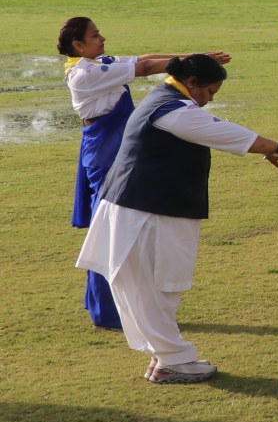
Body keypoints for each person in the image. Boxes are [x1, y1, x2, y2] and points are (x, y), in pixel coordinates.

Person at [76, 55, 278, 382]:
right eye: (210, 91)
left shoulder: (163, 98)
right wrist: (277, 147)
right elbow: (221, 131)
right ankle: (172, 361)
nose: (211, 98)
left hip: (145, 208)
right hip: (147, 212)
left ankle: (165, 357)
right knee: (157, 287)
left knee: (155, 288)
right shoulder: (172, 110)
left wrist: (270, 149)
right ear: (191, 83)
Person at [61, 17, 230, 331]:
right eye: (95, 35)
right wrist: (193, 62)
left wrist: (195, 58)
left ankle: (105, 304)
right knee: (107, 232)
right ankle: (108, 312)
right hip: (105, 151)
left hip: (114, 147)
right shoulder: (86, 73)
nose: (102, 38)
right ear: (78, 45)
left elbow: (145, 58)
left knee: (112, 230)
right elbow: (146, 68)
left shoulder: (99, 63)